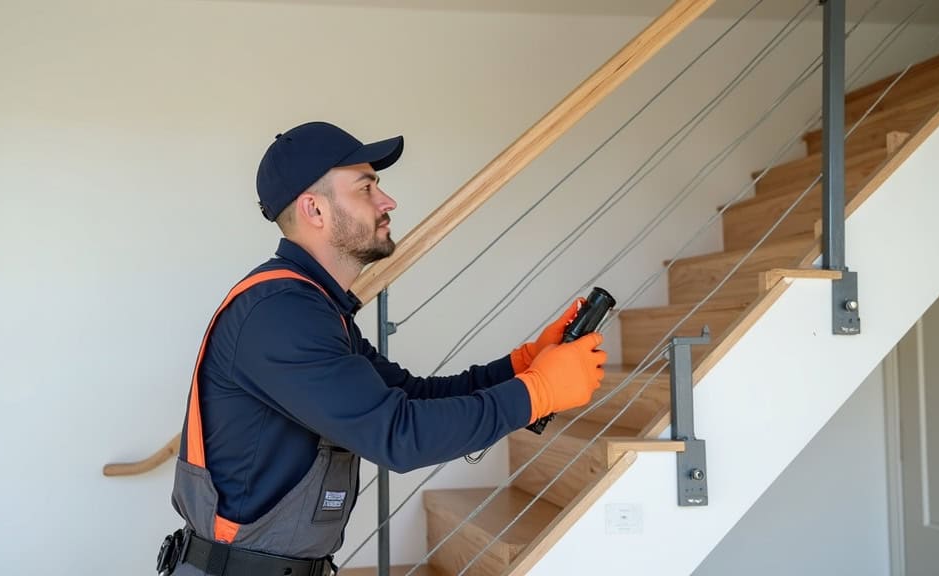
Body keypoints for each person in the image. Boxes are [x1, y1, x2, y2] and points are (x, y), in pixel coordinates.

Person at [158, 121, 606, 576]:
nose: (387, 201)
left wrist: (523, 364)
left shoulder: (312, 308)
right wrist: (537, 393)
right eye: (366, 187)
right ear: (314, 209)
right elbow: (399, 436)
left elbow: (409, 396)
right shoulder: (280, 314)